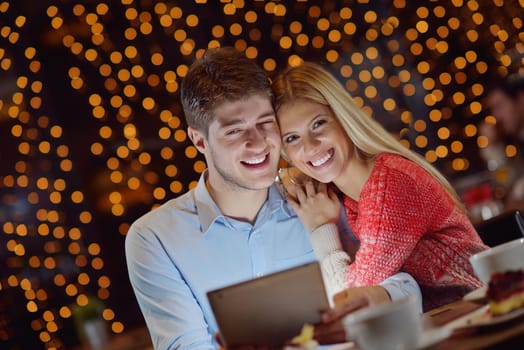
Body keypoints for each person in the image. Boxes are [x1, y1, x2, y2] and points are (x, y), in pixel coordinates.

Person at [125, 47, 422, 349]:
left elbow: (408, 283)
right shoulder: (154, 238)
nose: (258, 143)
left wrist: (374, 298)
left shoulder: (318, 195)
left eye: (265, 122)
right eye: (234, 131)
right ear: (199, 140)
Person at [271, 61, 489, 312]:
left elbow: (349, 301)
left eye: (318, 124)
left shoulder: (390, 184)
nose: (309, 146)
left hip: (494, 315)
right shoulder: (347, 198)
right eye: (292, 138)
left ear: (343, 119)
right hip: (452, 322)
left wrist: (322, 229)